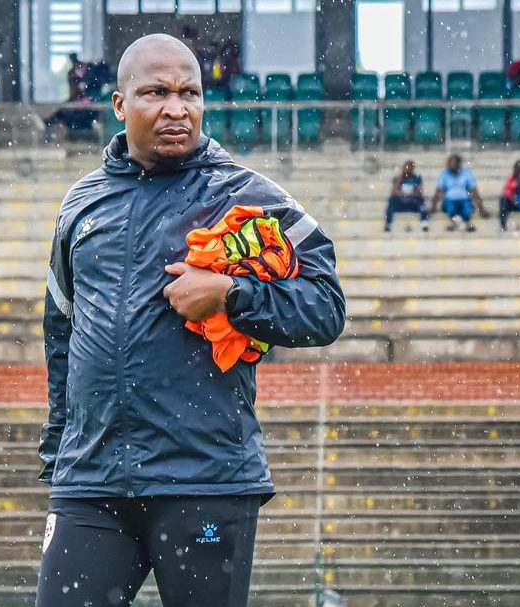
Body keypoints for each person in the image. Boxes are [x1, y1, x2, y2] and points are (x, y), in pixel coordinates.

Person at [37, 33, 344, 607]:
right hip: (91, 481)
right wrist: (60, 451)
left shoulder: (250, 196)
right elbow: (62, 332)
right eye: (156, 92)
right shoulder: (80, 202)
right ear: (120, 105)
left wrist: (231, 294)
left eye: (190, 93)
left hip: (205, 480)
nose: (177, 108)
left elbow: (326, 308)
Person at [432, 154, 489, 233]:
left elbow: (474, 191)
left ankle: (455, 223)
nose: (449, 165)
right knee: (451, 208)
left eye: (452, 163)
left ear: (458, 164)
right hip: (449, 200)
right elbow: (438, 191)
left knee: (467, 210)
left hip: (464, 199)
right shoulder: (444, 174)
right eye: (449, 163)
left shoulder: (467, 173)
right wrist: (433, 207)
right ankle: (464, 225)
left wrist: (481, 209)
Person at [384, 160, 428, 232]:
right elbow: (393, 192)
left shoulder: (417, 178)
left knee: (421, 200)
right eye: (406, 167)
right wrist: (400, 178)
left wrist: (410, 194)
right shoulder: (397, 178)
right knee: (391, 200)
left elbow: (419, 192)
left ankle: (424, 222)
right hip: (401, 203)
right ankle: (388, 224)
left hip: (412, 203)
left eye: (410, 167)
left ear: (413, 168)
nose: (408, 169)